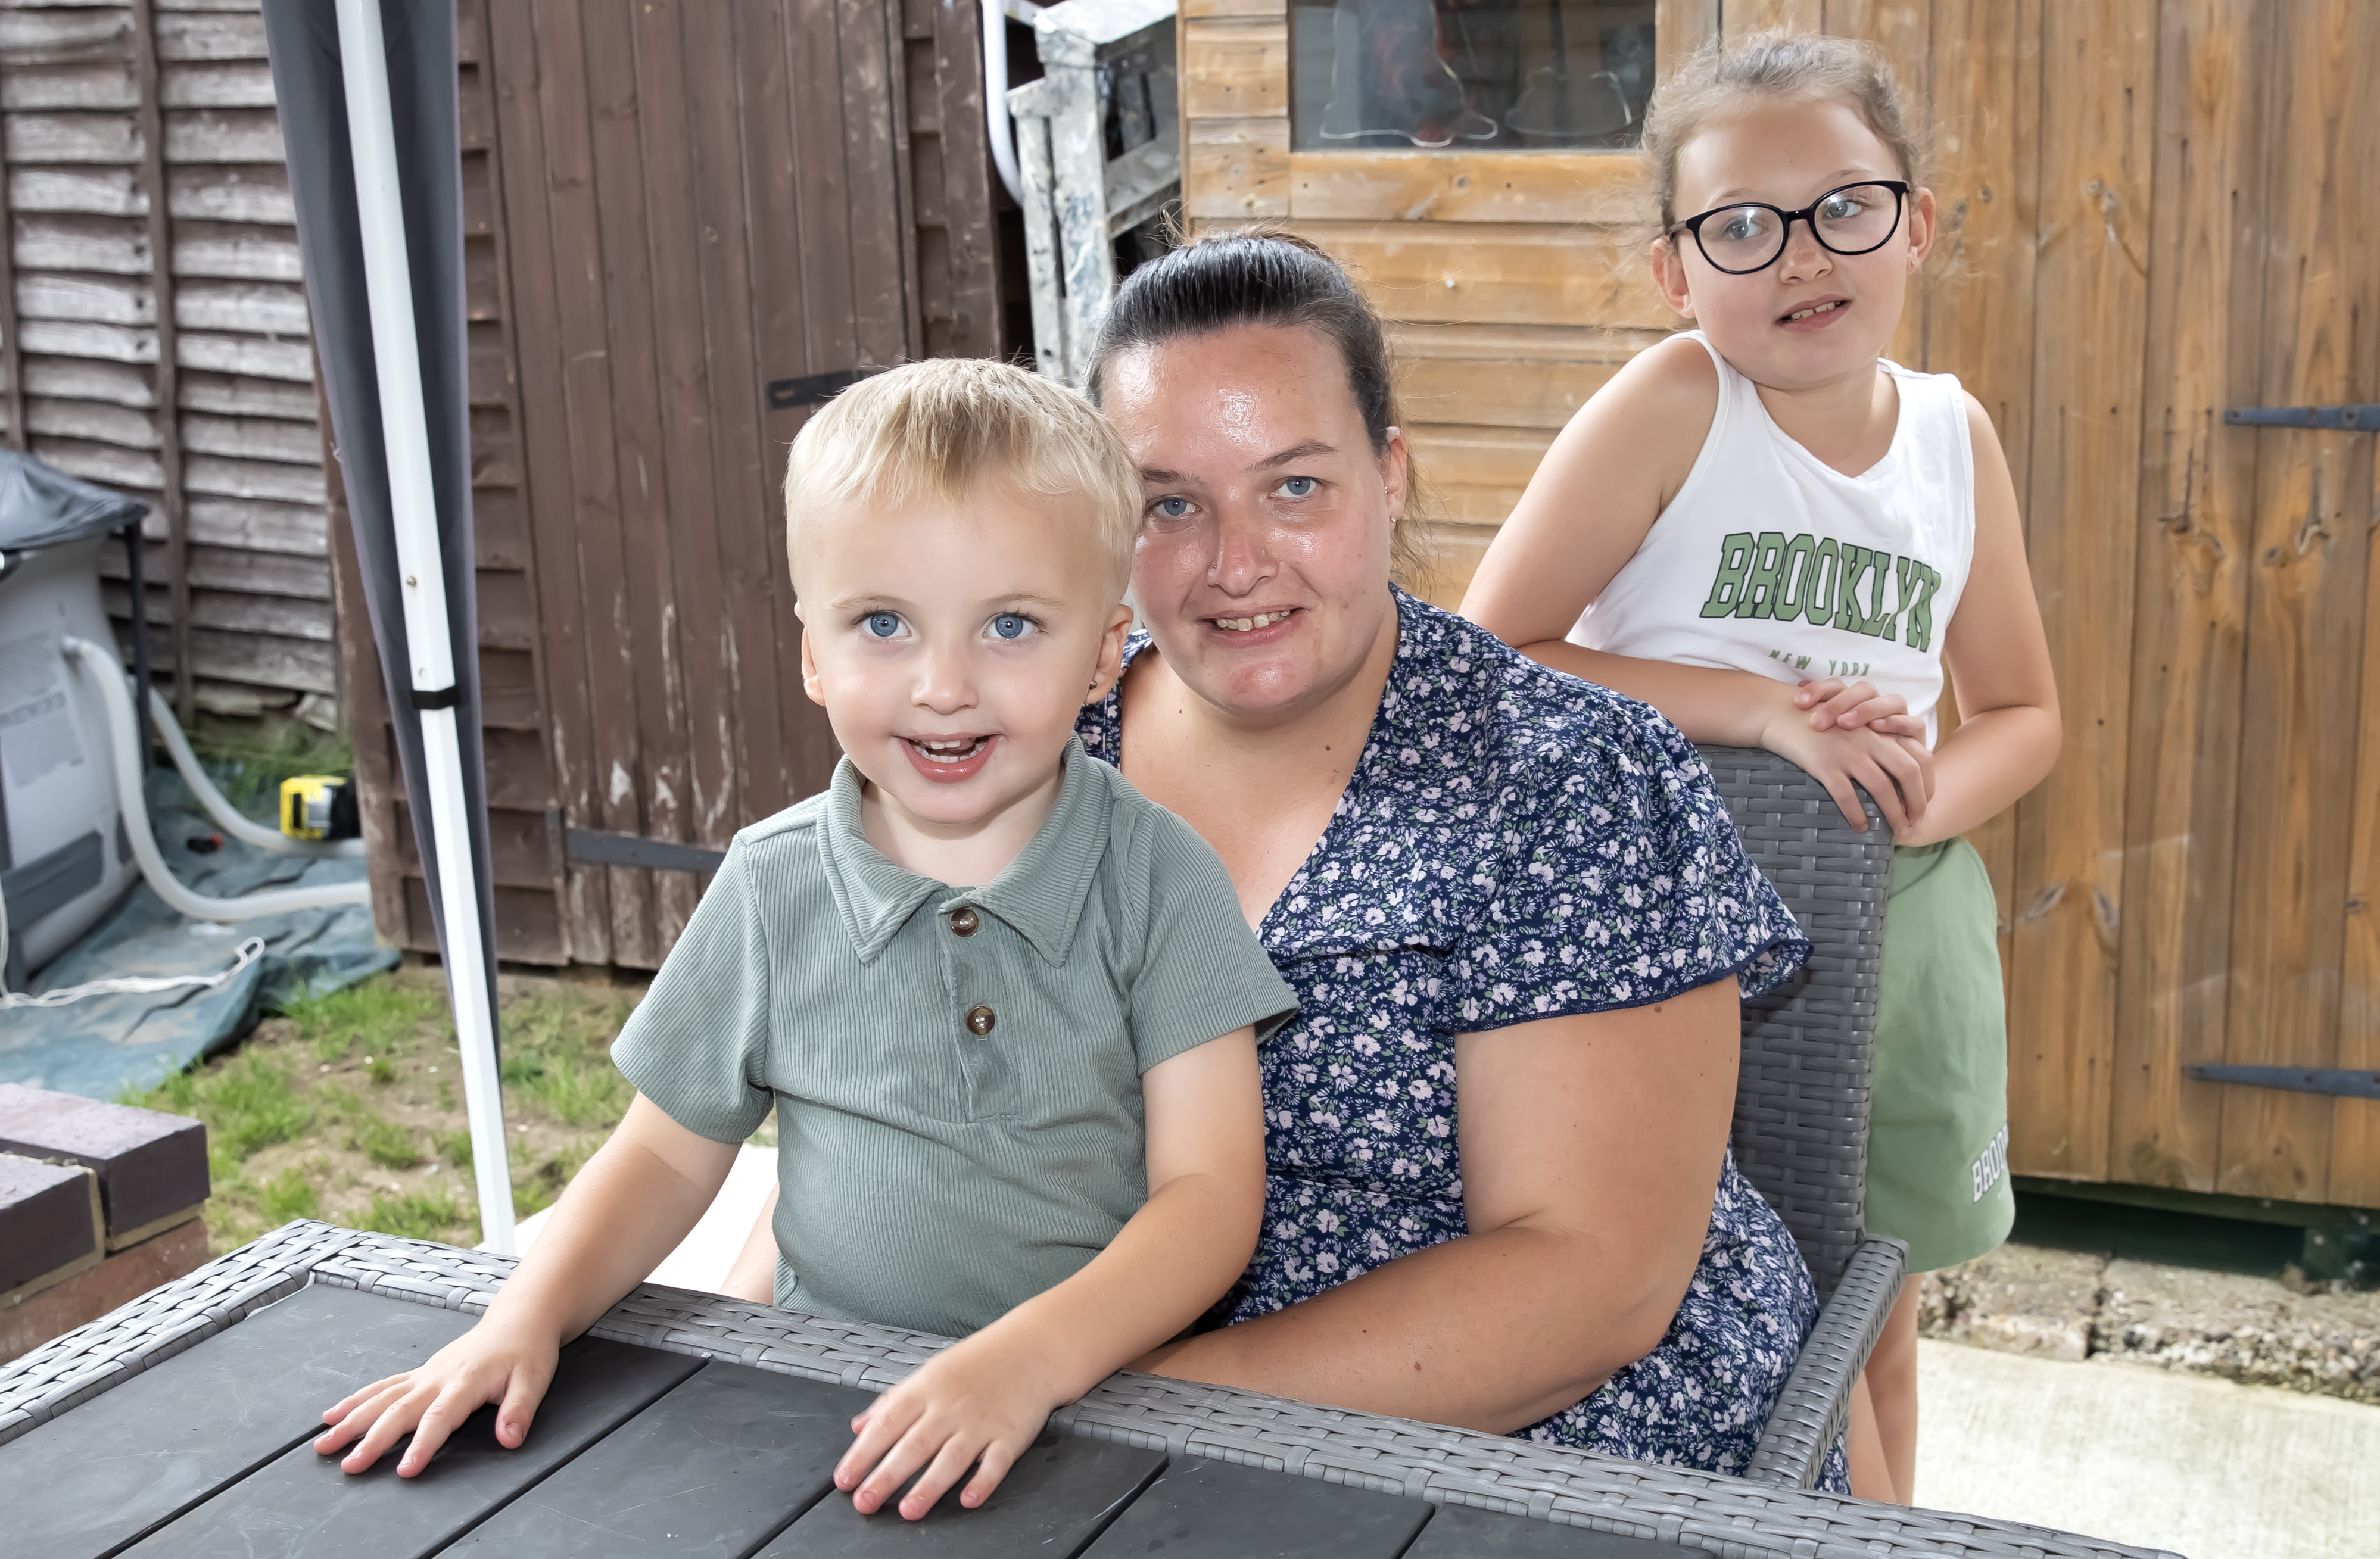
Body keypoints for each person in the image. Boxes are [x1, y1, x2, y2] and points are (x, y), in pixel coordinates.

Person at [736, 230, 1848, 1486]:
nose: (1236, 562)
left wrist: (1081, 1402)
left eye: (1296, 486)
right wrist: (774, 1371)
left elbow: (1585, 1289)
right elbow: (872, 1115)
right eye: (1169, 504)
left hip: (1554, 1455)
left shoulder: (1561, 776)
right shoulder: (1020, 744)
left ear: (1391, 475)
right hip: (1075, 1418)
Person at [311, 358, 1296, 1522]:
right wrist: (523, 1316)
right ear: (811, 652)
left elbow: (1210, 1198)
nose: (942, 685)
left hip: (1095, 1413)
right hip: (825, 1417)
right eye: (884, 623)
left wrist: (1027, 1364)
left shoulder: (1158, 879)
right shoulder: (773, 885)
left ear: (1102, 651)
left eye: (1011, 625)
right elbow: (665, 1157)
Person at [1459, 34, 2061, 1505]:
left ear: (1916, 219)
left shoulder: (1952, 437)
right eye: (1741, 226)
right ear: (1677, 270)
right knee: (1676, 1300)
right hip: (1659, 934)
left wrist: (1922, 794)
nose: (1800, 256)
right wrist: (1763, 713)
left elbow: (2026, 714)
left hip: (1900, 931)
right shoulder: (1677, 403)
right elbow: (1495, 647)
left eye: (1845, 206)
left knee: (1873, 1325)